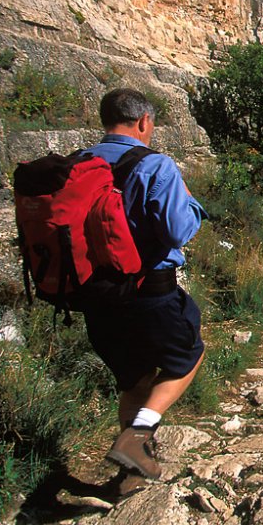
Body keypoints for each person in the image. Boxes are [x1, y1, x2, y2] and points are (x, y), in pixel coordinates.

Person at [82, 88, 208, 495]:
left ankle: (130, 474)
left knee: (133, 380)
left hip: (96, 297)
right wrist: (192, 207)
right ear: (143, 122)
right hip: (149, 292)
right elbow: (177, 231)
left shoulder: (80, 164)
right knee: (187, 356)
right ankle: (137, 436)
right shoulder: (157, 166)